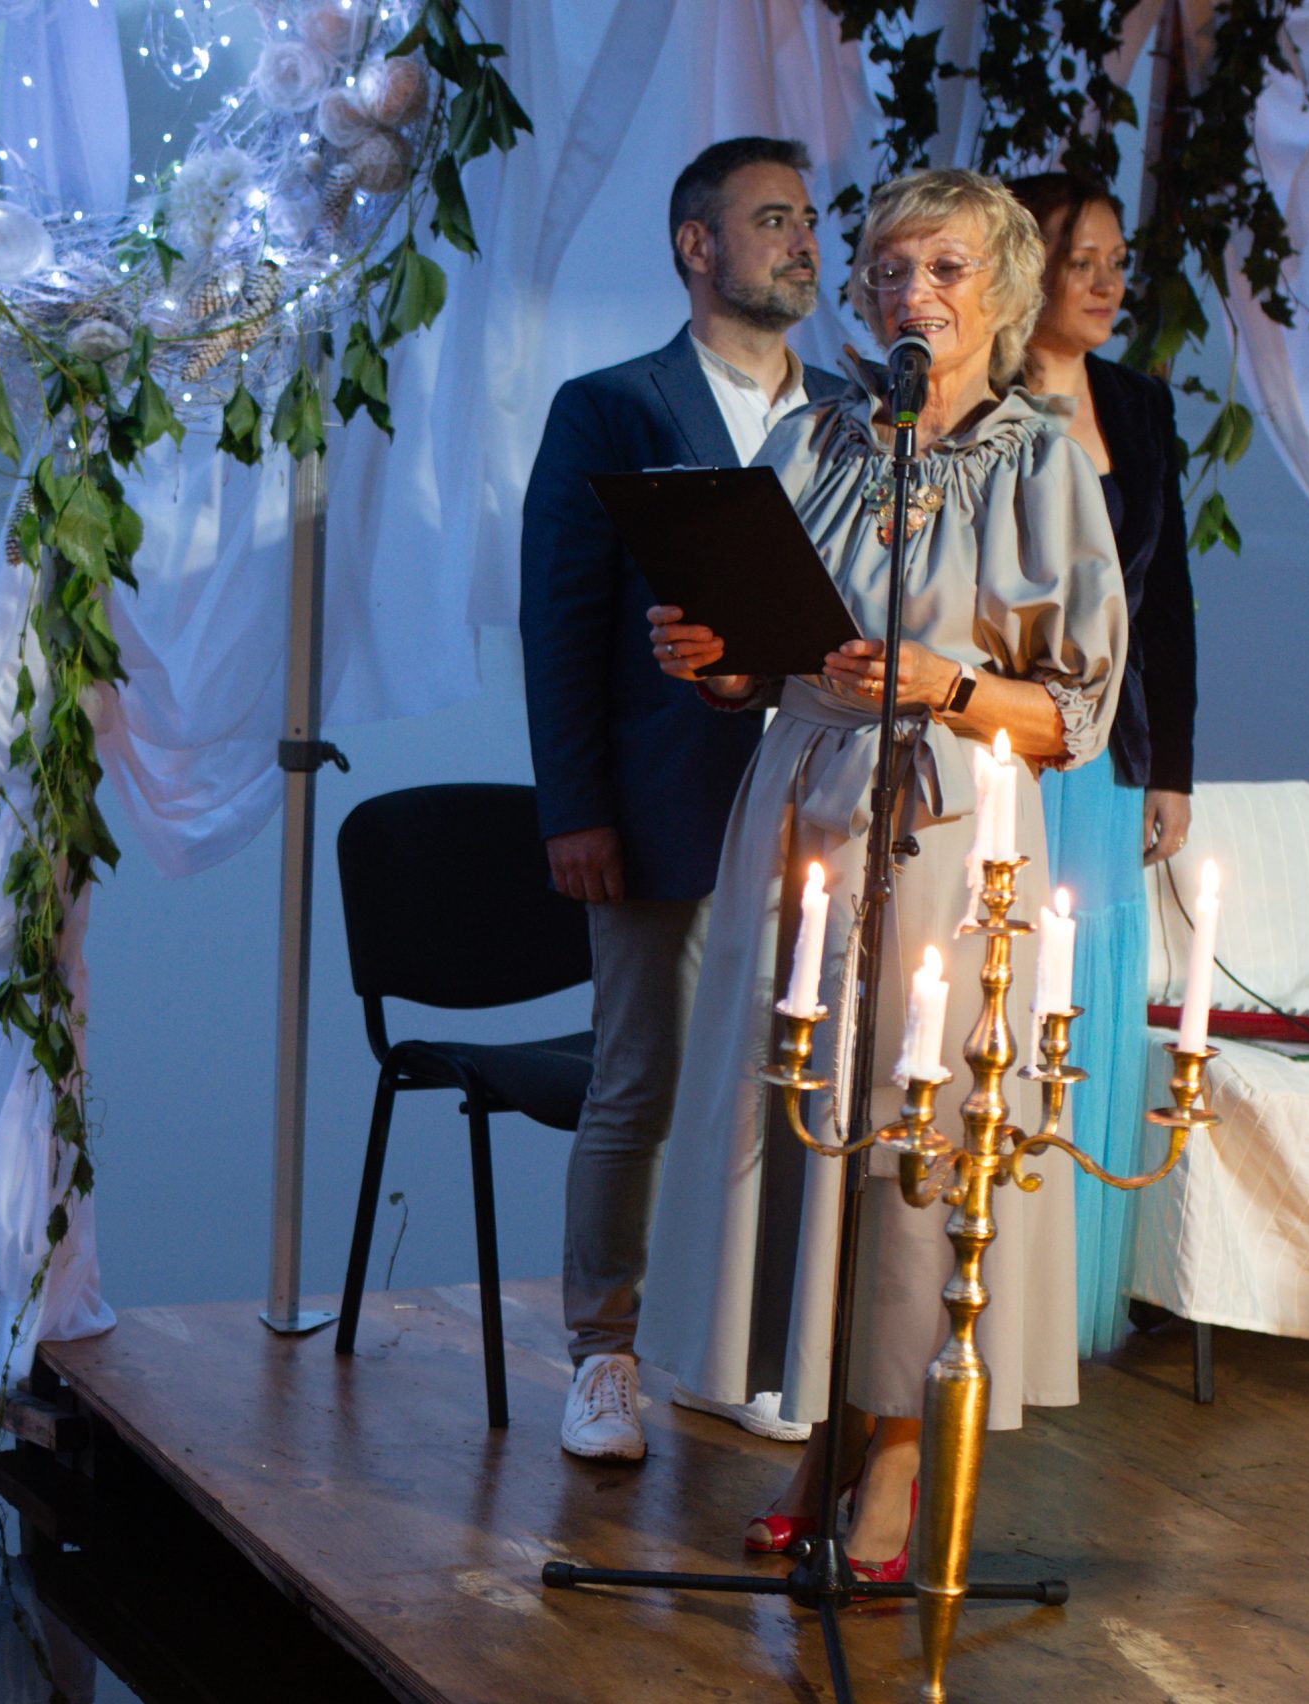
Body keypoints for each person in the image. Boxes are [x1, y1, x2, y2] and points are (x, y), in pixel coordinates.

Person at [633, 167, 1127, 1579]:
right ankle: (824, 1439)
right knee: (804, 1124)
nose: (914, 293)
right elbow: (766, 653)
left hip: (955, 828)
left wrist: (948, 686)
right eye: (892, 269)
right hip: (800, 810)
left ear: (1003, 295)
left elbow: (1075, 715)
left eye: (948, 269)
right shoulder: (814, 439)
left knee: (920, 1135)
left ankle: (896, 1464)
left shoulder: (1040, 464)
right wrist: (714, 662)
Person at [520, 136, 846, 1462]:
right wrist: (573, 808)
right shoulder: (612, 407)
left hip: (822, 803)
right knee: (639, 1080)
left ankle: (752, 1348)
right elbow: (559, 619)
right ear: (694, 244)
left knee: (797, 1079)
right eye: (771, 219)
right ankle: (602, 1354)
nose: (802, 242)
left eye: (808, 219)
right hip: (660, 802)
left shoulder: (850, 418)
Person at [1006, 171, 1199, 1360]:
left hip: (1110, 746)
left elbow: (1165, 598)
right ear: (1025, 266)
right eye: (1081, 260)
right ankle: (988, 1300)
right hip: (1013, 741)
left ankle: (1072, 1311)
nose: (1106, 283)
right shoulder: (979, 396)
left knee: (1090, 999)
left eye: (1116, 262)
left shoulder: (1135, 402)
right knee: (1013, 992)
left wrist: (1172, 764)